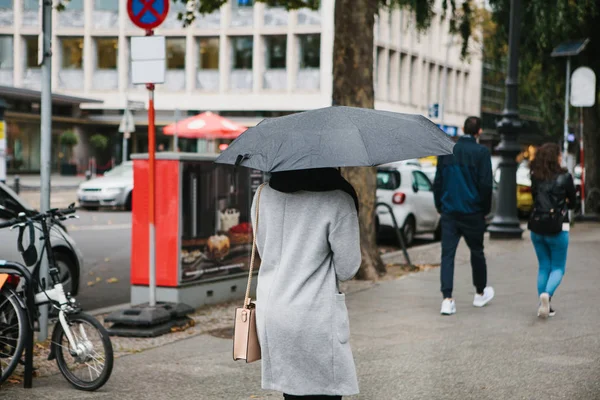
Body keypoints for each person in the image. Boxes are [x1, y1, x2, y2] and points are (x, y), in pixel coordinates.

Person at [251, 168, 361, 400]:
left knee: (291, 394)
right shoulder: (338, 200)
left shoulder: (262, 194)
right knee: (325, 394)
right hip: (315, 317)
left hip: (274, 312)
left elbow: (265, 250)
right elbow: (347, 269)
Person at [433, 116, 495, 315]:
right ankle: (479, 293)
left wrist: (440, 206)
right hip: (473, 212)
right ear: (479, 132)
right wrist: (483, 210)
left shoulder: (446, 151)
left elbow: (438, 182)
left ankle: (447, 299)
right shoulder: (482, 153)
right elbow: (486, 185)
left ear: (462, 129)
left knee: (447, 255)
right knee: (477, 252)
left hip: (450, 212)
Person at [528, 143, 576, 318]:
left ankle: (544, 304)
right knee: (558, 267)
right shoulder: (565, 177)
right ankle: (547, 295)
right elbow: (573, 202)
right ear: (555, 157)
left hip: (537, 226)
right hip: (558, 227)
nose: (561, 157)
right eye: (559, 155)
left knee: (543, 266)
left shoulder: (535, 176)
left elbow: (535, 198)